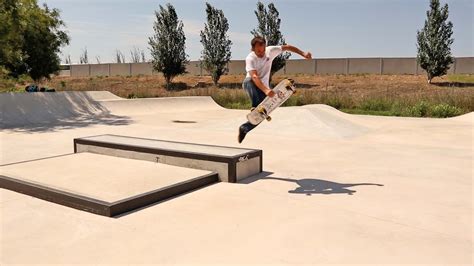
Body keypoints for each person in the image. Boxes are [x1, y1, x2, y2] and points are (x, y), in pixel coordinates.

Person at [238, 36, 312, 143]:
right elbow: (254, 76)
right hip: (251, 85)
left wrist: (303, 54)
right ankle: (255, 105)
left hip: (264, 89)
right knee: (249, 81)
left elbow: (288, 47)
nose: (262, 53)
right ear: (252, 49)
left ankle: (244, 128)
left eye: (263, 50)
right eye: (259, 51)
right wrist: (266, 90)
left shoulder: (270, 51)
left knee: (261, 114)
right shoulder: (250, 58)